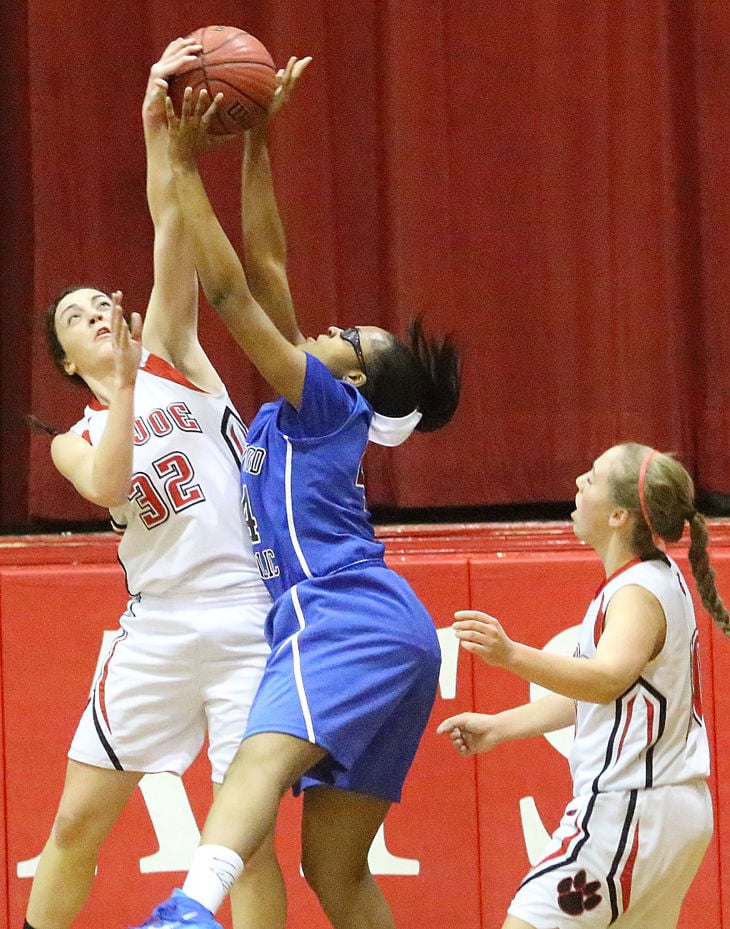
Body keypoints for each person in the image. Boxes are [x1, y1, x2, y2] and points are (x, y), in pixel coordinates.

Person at [126, 83, 461, 929]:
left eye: (348, 335)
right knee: (334, 869)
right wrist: (255, 142)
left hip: (343, 614)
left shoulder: (325, 406)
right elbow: (269, 265)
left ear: (351, 376)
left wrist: (178, 159)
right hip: (394, 634)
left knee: (255, 763)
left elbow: (236, 294)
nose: (329, 326)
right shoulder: (312, 410)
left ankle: (190, 909)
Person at [22, 40, 289, 929]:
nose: (98, 309)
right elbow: (108, 484)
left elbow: (170, 228)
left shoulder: (179, 357)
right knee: (72, 821)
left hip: (247, 613)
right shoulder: (80, 433)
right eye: (76, 316)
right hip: (158, 630)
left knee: (246, 845)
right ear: (67, 360)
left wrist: (159, 136)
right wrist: (129, 383)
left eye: (102, 299)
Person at [438, 442, 730, 929]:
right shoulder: (652, 579)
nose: (577, 483)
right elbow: (600, 698)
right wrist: (501, 727)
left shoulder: (637, 593)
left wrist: (510, 655)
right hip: (665, 809)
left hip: (631, 805)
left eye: (591, 478)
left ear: (619, 515)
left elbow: (607, 680)